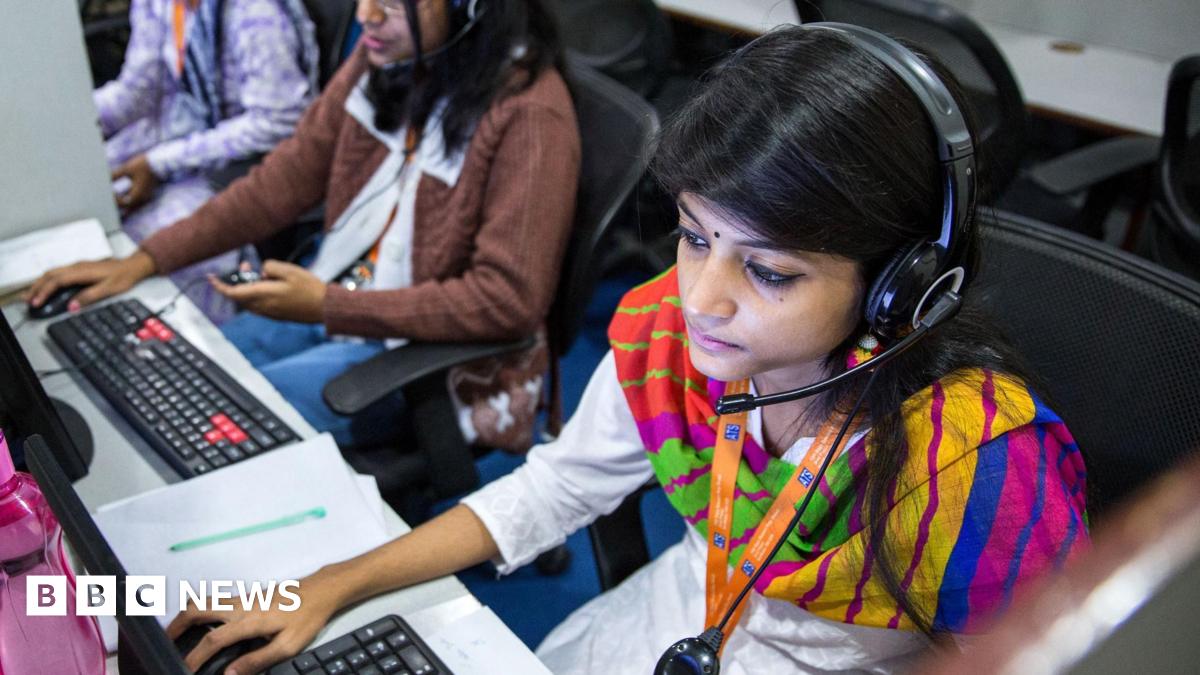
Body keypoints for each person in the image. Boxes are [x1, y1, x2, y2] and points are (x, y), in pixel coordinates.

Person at [186, 24, 1087, 674]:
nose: (702, 299)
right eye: (695, 238)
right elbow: (558, 486)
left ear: (900, 281)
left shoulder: (977, 468)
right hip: (689, 608)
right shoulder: (670, 333)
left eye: (769, 272)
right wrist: (332, 584)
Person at [30, 0, 580, 449]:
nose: (365, 16)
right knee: (180, 374)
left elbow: (508, 297)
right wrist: (144, 259)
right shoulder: (390, 58)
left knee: (221, 421)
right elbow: (286, 178)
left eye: (388, 4)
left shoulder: (530, 115)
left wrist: (326, 306)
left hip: (432, 355)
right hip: (345, 295)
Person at [96, 0, 320, 323]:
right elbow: (138, 91)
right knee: (94, 192)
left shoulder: (256, 11)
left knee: (146, 240)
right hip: (183, 138)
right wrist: (68, 128)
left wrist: (161, 163)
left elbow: (279, 120)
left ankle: (185, 344)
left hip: (239, 164)